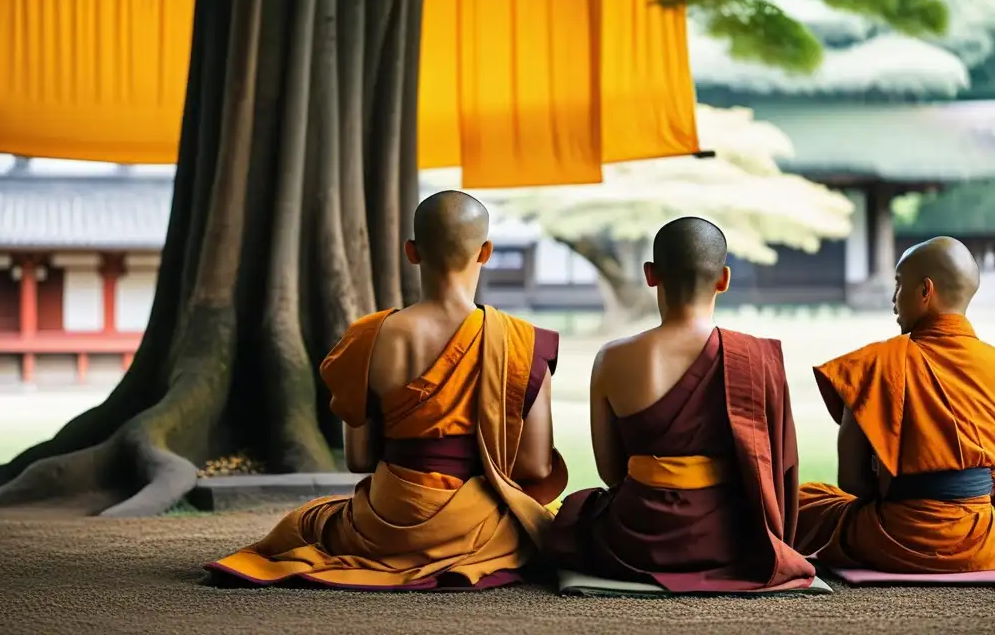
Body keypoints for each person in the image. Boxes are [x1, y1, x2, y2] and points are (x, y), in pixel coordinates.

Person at [206, 190, 566, 590]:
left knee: (310, 522)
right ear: (486, 252)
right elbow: (534, 468)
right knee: (548, 524)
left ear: (411, 251)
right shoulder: (520, 342)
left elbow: (359, 459)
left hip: (384, 521)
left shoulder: (368, 337)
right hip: (477, 523)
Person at [545, 217, 815, 593]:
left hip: (635, 539)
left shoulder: (611, 359)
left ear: (651, 275)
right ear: (724, 279)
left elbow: (611, 471)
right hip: (731, 539)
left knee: (572, 516)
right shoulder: (756, 357)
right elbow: (777, 469)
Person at [797, 236, 995, 572]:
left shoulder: (876, 363)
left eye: (899, 285)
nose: (893, 299)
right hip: (983, 541)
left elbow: (852, 482)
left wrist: (904, 493)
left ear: (925, 292)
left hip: (896, 536)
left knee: (802, 501)